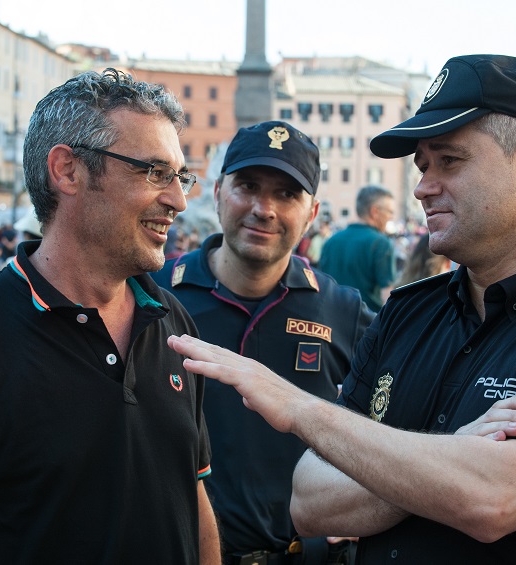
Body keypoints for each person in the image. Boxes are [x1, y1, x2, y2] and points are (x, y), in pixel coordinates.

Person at [167, 54, 516, 563]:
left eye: (450, 161)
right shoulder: (408, 313)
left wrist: (299, 408)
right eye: (423, 167)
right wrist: (457, 451)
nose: (423, 187)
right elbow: (311, 502)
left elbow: (493, 499)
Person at [0, 68, 220, 564]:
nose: (178, 200)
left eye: (180, 176)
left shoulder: (174, 324)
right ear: (67, 171)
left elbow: (193, 501)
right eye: (154, 172)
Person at [153, 120, 373, 563]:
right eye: (248, 186)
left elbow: (395, 420)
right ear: (218, 192)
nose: (263, 209)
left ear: (312, 214)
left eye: (287, 194)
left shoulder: (342, 310)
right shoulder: (153, 295)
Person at [319, 185, 396, 311]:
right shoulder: (381, 243)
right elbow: (387, 294)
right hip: (367, 319)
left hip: (331, 317)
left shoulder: (331, 241)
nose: (391, 217)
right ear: (375, 212)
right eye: (390, 212)